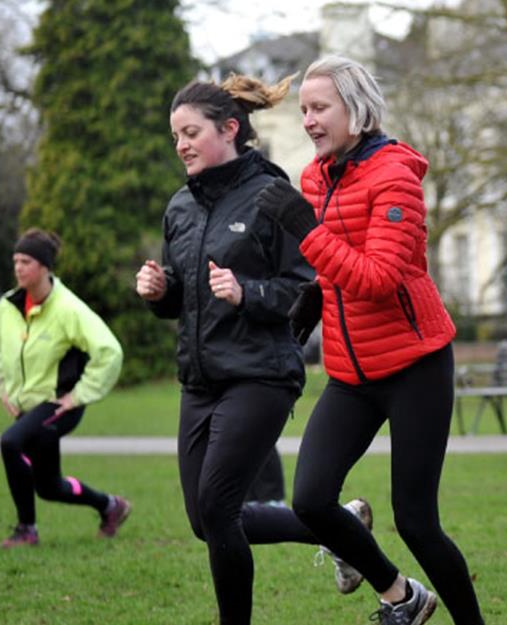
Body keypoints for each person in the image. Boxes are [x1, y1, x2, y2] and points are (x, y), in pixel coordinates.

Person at [264, 54, 483, 625]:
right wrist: (314, 293)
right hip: (352, 371)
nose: (308, 120)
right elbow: (340, 261)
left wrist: (307, 236)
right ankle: (402, 597)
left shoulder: (395, 177)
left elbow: (380, 279)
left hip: (415, 366)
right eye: (304, 110)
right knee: (311, 499)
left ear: (356, 111)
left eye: (319, 108)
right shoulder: (317, 175)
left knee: (416, 520)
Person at [137, 75, 360, 625]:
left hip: (262, 373)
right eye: (175, 137)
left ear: (230, 129)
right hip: (201, 380)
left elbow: (308, 288)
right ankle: (339, 528)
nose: (182, 145)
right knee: (204, 520)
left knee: (217, 508)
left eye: (191, 132)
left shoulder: (271, 194)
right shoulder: (180, 209)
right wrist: (162, 290)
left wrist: (248, 293)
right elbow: (187, 299)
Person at [0, 228, 128, 548]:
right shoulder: (6, 309)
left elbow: (110, 352)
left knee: (11, 442)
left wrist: (80, 395)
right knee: (48, 487)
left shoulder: (69, 310)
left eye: (26, 261)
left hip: (60, 406)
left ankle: (27, 530)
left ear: (45, 266)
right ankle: (111, 506)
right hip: (28, 407)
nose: (18, 268)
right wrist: (1, 387)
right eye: (15, 261)